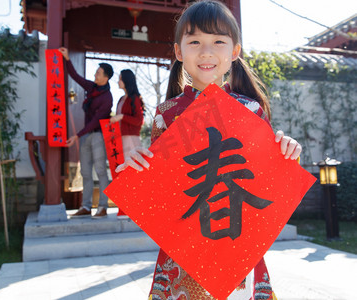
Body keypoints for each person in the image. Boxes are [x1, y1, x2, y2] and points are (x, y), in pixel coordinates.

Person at [115, 1, 302, 299]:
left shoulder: (251, 111)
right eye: (194, 42)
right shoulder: (166, 114)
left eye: (218, 41)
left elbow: (266, 183)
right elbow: (163, 191)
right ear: (179, 52)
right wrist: (139, 169)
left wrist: (287, 151)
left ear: (235, 51)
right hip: (184, 248)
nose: (206, 52)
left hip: (237, 242)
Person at [59, 47, 114, 219]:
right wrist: (67, 59)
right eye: (96, 72)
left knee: (100, 171)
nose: (95, 75)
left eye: (99, 73)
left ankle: (103, 206)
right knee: (85, 172)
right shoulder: (91, 87)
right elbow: (75, 76)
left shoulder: (108, 97)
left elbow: (96, 120)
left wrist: (77, 134)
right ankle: (86, 206)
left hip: (97, 135)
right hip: (85, 135)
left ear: (106, 77)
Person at [110, 69, 145, 218]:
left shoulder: (134, 98)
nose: (118, 81)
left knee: (130, 174)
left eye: (120, 79)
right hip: (121, 139)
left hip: (131, 139)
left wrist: (121, 117)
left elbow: (139, 121)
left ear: (126, 81)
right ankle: (124, 207)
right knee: (122, 173)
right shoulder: (121, 99)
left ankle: (131, 208)